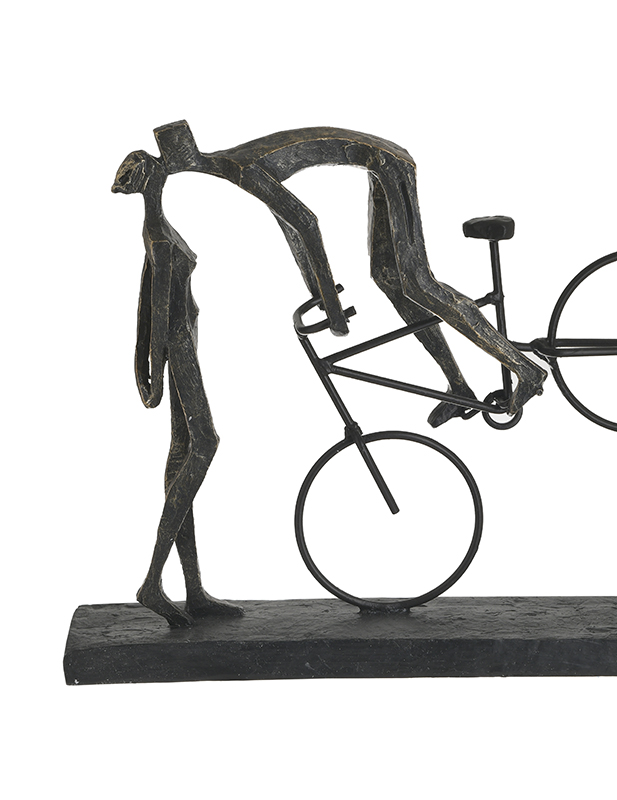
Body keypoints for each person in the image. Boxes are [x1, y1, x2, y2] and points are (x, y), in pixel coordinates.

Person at [149, 121, 547, 424]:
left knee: (418, 283)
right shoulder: (232, 167)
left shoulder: (240, 168)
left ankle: (525, 370)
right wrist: (320, 293)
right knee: (388, 279)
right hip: (378, 166)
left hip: (388, 163)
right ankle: (459, 386)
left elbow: (306, 222)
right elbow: (288, 223)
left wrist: (332, 303)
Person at [112, 150, 243, 626]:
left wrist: (144, 363)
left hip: (185, 340)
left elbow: (144, 298)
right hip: (180, 344)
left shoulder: (156, 229)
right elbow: (157, 308)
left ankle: (194, 591)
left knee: (182, 451)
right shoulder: (160, 237)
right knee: (206, 442)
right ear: (151, 178)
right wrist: (154, 368)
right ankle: (152, 582)